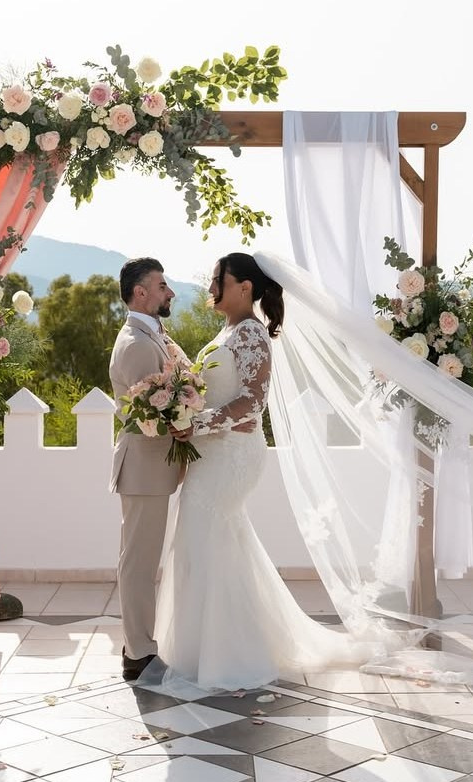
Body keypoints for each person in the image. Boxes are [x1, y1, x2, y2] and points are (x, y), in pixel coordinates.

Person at [155, 252, 369, 692]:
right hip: (212, 453)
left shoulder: (251, 333)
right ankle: (213, 650)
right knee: (210, 543)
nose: (210, 287)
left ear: (245, 287)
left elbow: (254, 402)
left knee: (204, 538)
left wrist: (198, 423)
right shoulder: (229, 331)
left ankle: (229, 656)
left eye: (218, 279)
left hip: (233, 455)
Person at [108, 257, 182, 681]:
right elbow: (149, 416)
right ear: (141, 292)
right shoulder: (136, 344)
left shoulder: (151, 334)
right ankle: (138, 653)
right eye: (162, 286)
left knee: (140, 558)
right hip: (143, 467)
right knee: (138, 562)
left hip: (151, 470)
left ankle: (136, 643)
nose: (170, 293)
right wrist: (186, 423)